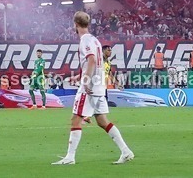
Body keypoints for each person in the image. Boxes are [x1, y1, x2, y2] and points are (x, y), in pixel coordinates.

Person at [52, 11, 134, 166]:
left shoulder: (85, 41)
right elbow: (96, 63)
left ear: (75, 25)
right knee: (102, 121)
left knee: (75, 119)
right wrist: (80, 76)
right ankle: (126, 151)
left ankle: (70, 157)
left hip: (89, 87)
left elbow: (91, 60)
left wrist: (86, 81)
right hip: (99, 86)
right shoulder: (95, 40)